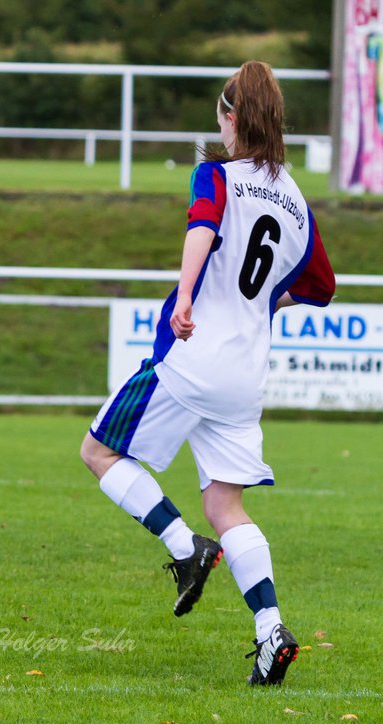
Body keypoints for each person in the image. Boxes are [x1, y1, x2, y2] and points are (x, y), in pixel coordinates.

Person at [79, 61, 335, 685]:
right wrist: (266, 301)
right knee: (226, 505)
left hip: (191, 358)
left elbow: (204, 226)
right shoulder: (296, 197)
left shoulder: (215, 173)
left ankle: (183, 548)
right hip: (245, 375)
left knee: (98, 452)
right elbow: (322, 287)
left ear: (230, 118)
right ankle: (270, 630)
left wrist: (188, 294)